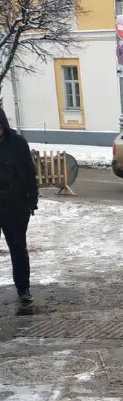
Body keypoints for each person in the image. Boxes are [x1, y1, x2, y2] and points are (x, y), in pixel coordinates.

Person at [0, 106, 38, 311]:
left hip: (14, 204)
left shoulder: (17, 143)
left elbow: (29, 172)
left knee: (18, 249)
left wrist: (31, 201)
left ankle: (23, 289)